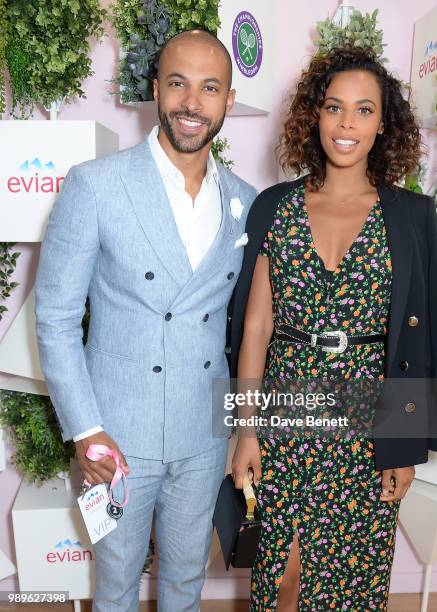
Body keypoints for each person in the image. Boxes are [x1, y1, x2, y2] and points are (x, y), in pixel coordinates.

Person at [35, 29, 257, 612]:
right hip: (117, 434)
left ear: (228, 100)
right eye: (178, 83)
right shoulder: (96, 185)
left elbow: (247, 326)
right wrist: (85, 430)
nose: (192, 102)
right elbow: (56, 318)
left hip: (203, 435)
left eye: (210, 88)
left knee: (186, 585)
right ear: (156, 89)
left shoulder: (246, 200)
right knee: (115, 587)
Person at [230, 46, 437, 611]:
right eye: (334, 107)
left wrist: (403, 446)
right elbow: (255, 327)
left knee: (351, 582)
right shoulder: (275, 207)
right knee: (281, 572)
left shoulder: (410, 215)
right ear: (316, 115)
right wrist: (247, 431)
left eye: (364, 110)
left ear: (384, 124)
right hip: (287, 407)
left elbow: (418, 339)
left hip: (367, 418)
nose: (347, 123)